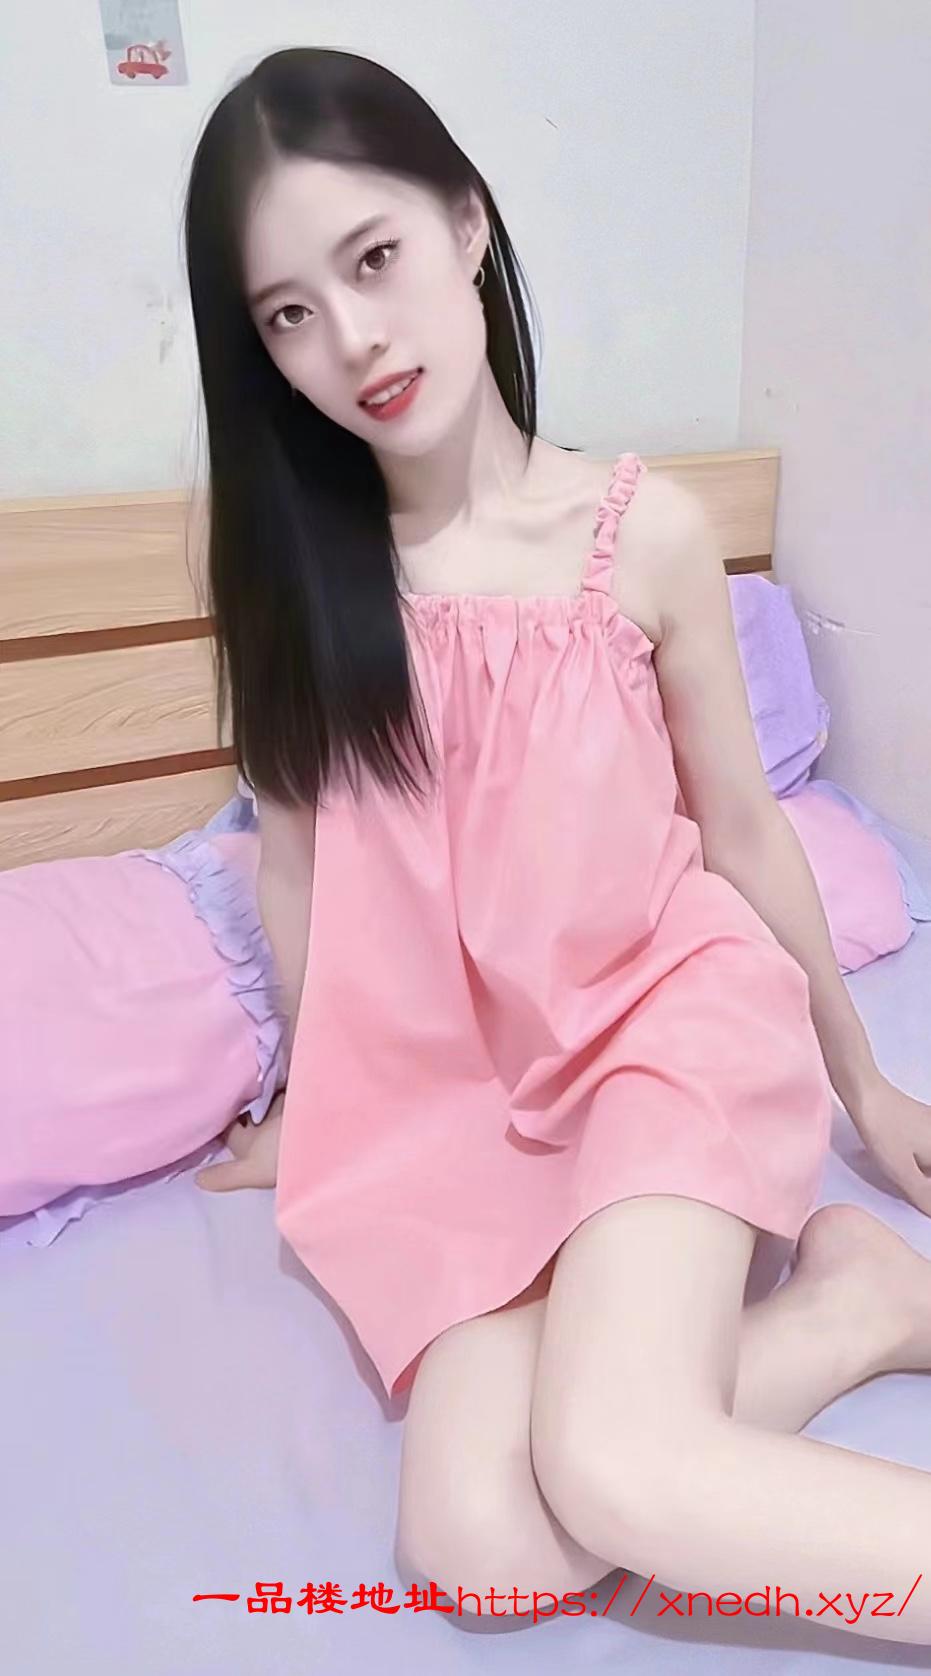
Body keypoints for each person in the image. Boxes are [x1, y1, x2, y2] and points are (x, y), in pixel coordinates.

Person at [185, 47, 931, 1642]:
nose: (351, 338)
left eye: (373, 259)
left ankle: (834, 1294)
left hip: (662, 1035)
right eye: (288, 314)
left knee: (615, 1461)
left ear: (467, 226)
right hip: (454, 1104)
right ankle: (858, 1308)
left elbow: (744, 833)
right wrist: (311, 1104)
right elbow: (297, 871)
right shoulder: (296, 588)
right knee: (479, 1546)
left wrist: (861, 1080)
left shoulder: (641, 534)